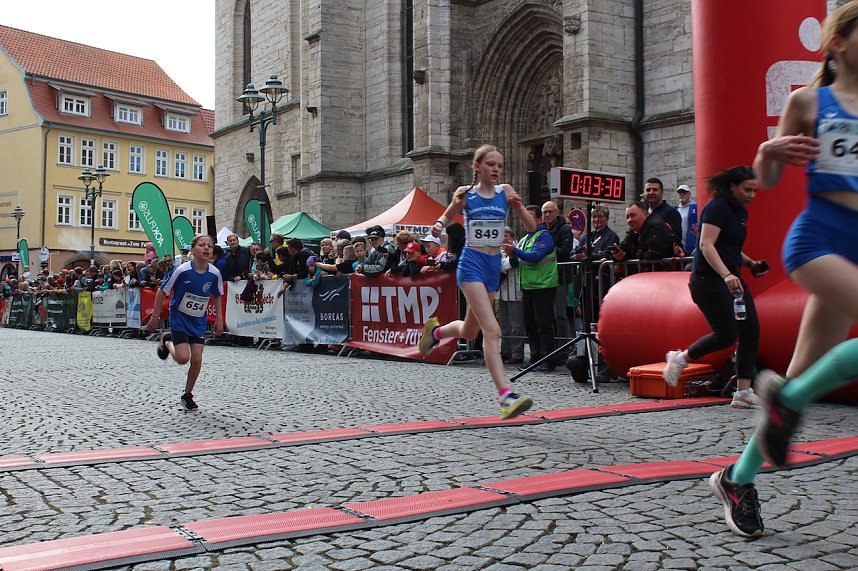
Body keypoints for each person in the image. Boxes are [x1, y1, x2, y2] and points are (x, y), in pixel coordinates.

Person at [709, 2, 858, 539]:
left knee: (794, 384)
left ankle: (737, 477)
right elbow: (767, 178)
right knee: (791, 396)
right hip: (819, 241)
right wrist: (767, 148)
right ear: (838, 42)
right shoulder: (807, 100)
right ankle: (786, 400)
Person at [417, 144, 536, 419]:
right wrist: (438, 225)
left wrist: (518, 207)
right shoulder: (465, 194)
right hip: (471, 263)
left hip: (493, 265)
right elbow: (447, 214)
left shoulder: (505, 192)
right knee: (492, 330)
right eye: (491, 164)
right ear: (478, 167)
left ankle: (435, 333)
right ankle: (506, 397)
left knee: (471, 332)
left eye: (500, 165)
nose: (496, 169)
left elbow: (532, 228)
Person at [662, 166, 769, 409]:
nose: (752, 195)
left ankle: (743, 393)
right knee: (727, 334)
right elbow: (707, 245)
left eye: (755, 190)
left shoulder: (740, 212)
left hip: (730, 277)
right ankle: (679, 358)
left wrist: (752, 264)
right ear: (732, 187)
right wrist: (726, 274)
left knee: (750, 331)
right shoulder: (716, 207)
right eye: (747, 189)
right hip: (707, 279)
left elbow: (729, 247)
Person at [146, 234, 224, 412]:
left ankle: (187, 395)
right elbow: (161, 291)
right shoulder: (181, 270)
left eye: (209, 246)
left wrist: (220, 320)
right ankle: (167, 340)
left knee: (196, 359)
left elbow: (218, 296)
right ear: (193, 250)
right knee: (183, 358)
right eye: (202, 245)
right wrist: (155, 316)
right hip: (179, 318)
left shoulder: (214, 273)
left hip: (198, 321)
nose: (206, 248)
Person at [506, 205, 558, 373]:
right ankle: (535, 358)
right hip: (528, 286)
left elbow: (535, 257)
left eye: (529, 217)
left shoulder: (545, 236)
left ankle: (548, 360)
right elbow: (515, 263)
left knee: (544, 325)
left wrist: (515, 251)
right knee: (530, 325)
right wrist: (512, 254)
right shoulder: (525, 239)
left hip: (543, 285)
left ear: (538, 219)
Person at [611, 202, 678, 265]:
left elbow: (655, 254)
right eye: (627, 217)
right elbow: (624, 248)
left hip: (662, 273)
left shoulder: (655, 226)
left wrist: (639, 254)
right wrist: (617, 255)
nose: (629, 220)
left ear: (645, 214)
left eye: (633, 215)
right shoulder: (633, 231)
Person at [499, 226, 525, 365]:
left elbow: (510, 264)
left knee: (516, 325)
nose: (504, 238)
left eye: (507, 235)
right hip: (503, 292)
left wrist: (509, 258)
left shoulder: (518, 248)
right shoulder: (499, 251)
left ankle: (517, 353)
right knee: (505, 324)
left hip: (515, 290)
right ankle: (505, 351)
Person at [643, 177, 683, 246]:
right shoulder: (642, 212)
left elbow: (675, 241)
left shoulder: (671, 213)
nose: (651, 192)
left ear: (662, 192)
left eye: (655, 190)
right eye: (648, 190)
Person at [675, 184, 698, 253]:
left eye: (684, 192)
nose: (682, 194)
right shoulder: (675, 209)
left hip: (692, 245)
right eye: (680, 193)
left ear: (689, 194)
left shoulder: (695, 207)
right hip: (679, 246)